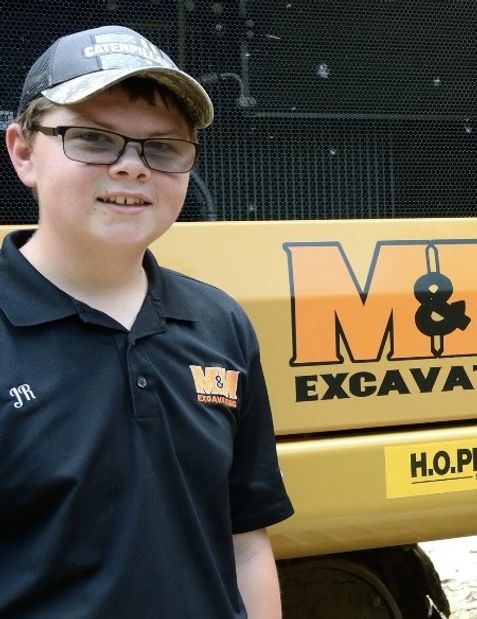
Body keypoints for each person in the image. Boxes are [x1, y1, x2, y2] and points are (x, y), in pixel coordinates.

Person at [1, 25, 293, 617]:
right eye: (92, 139)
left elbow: (245, 544)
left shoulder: (220, 326)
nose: (133, 168)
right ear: (24, 152)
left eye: (162, 148)